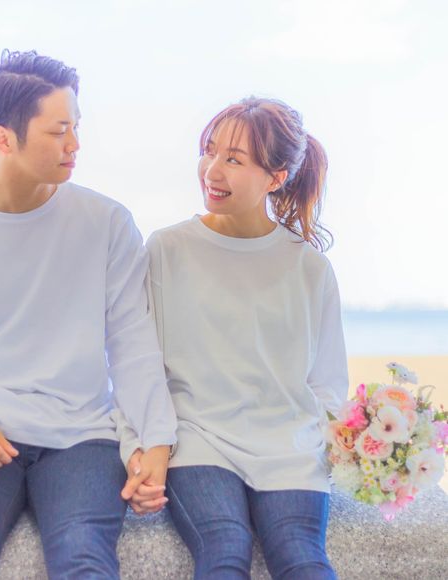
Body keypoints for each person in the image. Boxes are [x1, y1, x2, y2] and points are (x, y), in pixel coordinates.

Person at [0, 49, 176, 580]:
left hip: (82, 438)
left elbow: (133, 346)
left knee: (85, 559)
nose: (75, 144)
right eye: (59, 131)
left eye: (76, 126)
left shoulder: (108, 223)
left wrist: (154, 443)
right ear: (4, 139)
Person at [121, 97, 348, 579]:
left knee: (302, 557)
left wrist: (331, 448)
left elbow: (327, 383)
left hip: (289, 450)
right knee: (224, 547)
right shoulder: (168, 248)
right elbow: (137, 361)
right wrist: (138, 445)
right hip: (198, 441)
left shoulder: (309, 267)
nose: (212, 170)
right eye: (209, 151)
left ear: (276, 178)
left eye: (234, 159)